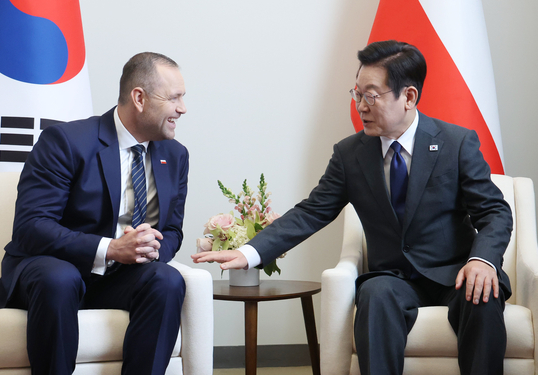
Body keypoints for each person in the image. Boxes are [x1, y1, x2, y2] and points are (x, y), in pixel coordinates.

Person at [192, 40, 512, 375]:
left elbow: (494, 212)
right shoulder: (350, 154)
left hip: (455, 274)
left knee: (484, 293)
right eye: (356, 93)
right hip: (394, 279)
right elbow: (312, 211)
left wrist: (483, 260)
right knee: (374, 295)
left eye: (371, 95)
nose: (360, 106)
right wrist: (250, 252)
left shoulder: (456, 143)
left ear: (409, 97)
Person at [0, 52, 189, 375]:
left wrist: (149, 248)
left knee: (167, 279)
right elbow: (32, 226)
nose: (182, 109)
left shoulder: (175, 155)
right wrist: (111, 249)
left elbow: (172, 230)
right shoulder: (66, 142)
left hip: (119, 278)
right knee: (60, 278)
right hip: (53, 270)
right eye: (174, 98)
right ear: (139, 98)